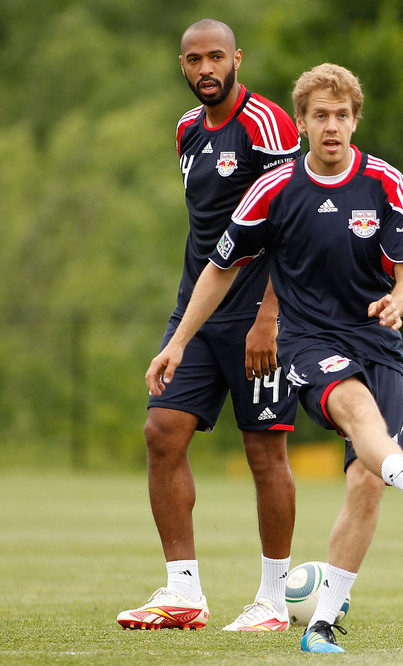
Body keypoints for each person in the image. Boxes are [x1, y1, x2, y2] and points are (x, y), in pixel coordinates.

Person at [144, 62, 403, 653]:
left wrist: (398, 303)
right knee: (357, 410)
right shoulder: (276, 188)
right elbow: (218, 268)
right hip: (311, 345)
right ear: (304, 123)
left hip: (380, 343)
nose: (331, 126)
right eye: (320, 116)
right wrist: (178, 341)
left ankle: (321, 625)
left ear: (355, 121)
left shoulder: (386, 183)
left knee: (365, 481)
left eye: (341, 115)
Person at [117, 19, 302, 632]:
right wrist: (179, 332)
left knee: (264, 450)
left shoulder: (268, 124)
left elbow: (290, 222)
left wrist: (272, 315)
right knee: (162, 430)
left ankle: (273, 601)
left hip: (263, 314)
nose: (206, 69)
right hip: (198, 309)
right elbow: (205, 232)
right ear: (182, 65)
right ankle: (183, 593)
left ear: (236, 58)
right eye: (194, 60)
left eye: (216, 57)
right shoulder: (185, 132)